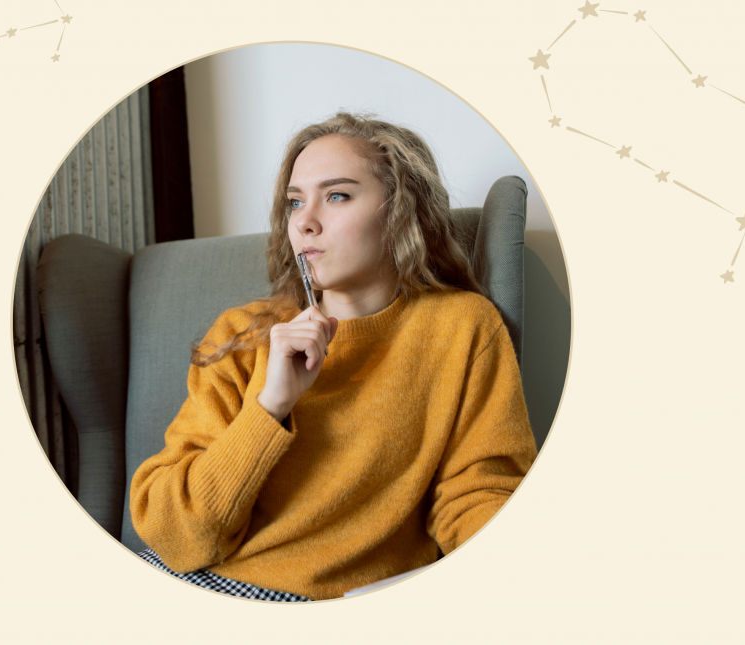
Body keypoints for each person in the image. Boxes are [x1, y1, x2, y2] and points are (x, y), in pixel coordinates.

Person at [129, 112, 538, 602]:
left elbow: (477, 493)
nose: (304, 220)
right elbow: (174, 537)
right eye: (294, 202)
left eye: (337, 195)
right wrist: (269, 408)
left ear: (401, 210)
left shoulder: (462, 326)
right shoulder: (242, 335)